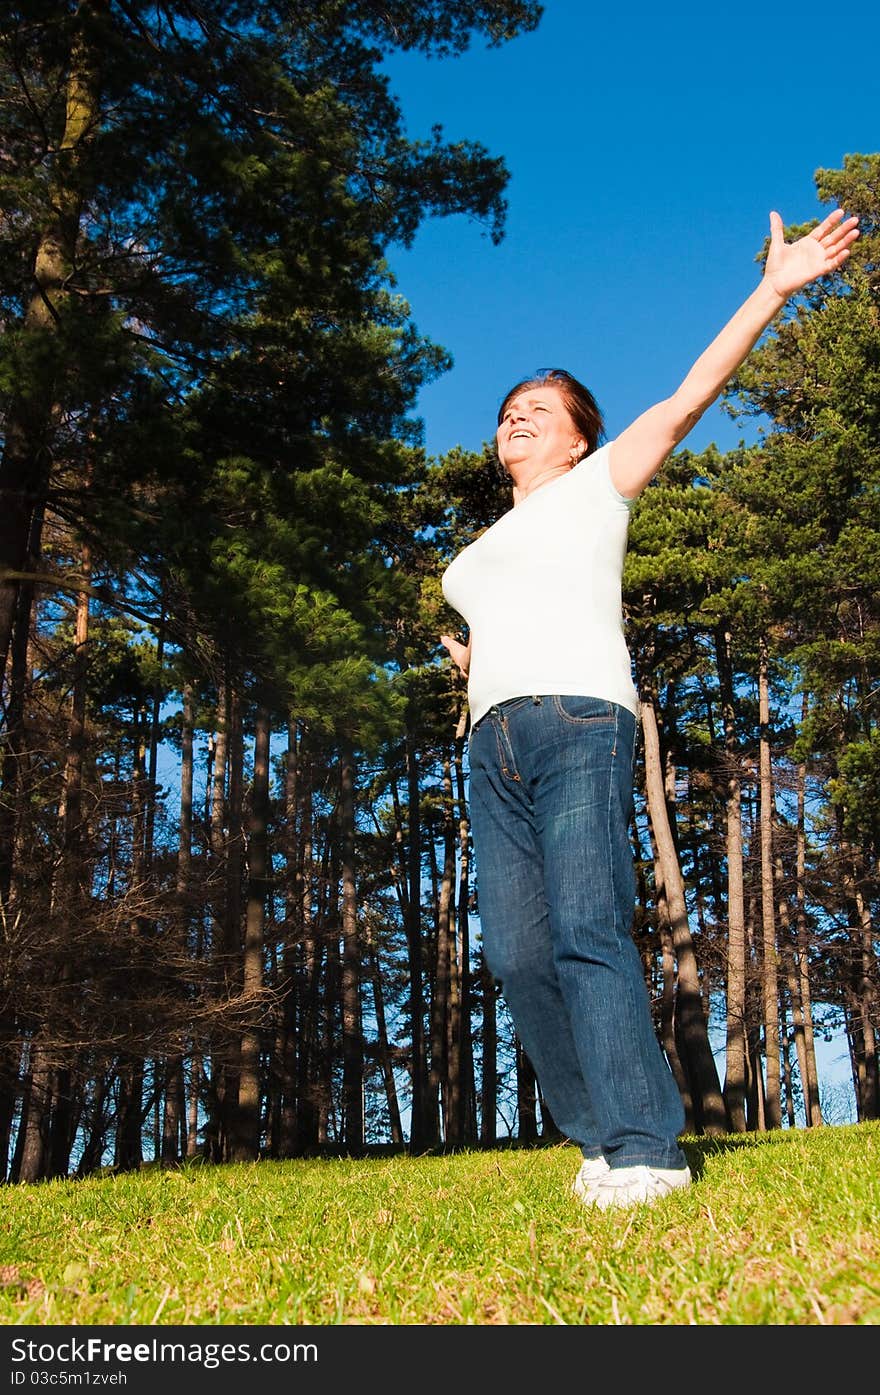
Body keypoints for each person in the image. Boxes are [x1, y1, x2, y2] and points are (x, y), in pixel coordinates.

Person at [439, 208, 859, 1211]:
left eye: (540, 407)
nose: (517, 416)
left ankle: (649, 1148)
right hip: (489, 743)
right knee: (516, 952)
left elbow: (689, 395)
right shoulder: (482, 548)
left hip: (581, 723)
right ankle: (597, 1136)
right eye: (508, 408)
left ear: (582, 434)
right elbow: (513, 610)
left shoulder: (598, 489)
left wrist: (771, 289)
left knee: (586, 926)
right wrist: (473, 661)